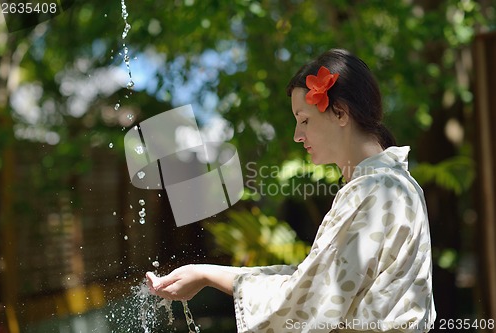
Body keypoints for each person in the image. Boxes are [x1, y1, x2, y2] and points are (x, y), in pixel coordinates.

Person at [146, 49, 436, 333]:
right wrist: (206, 273)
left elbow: (306, 303)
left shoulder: (374, 191)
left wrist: (209, 274)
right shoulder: (393, 183)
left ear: (340, 113)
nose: (298, 135)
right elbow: (312, 281)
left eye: (305, 119)